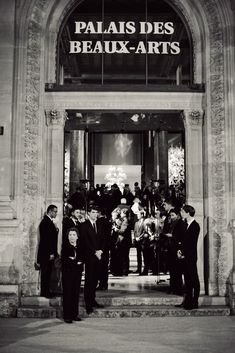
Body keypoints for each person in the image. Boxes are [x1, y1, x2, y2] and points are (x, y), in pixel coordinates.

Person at [80, 205, 104, 314]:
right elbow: (85, 241)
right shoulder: (84, 225)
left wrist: (101, 251)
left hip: (99, 256)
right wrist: (94, 251)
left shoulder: (99, 224)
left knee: (95, 280)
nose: (95, 214)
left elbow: (103, 239)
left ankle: (93, 300)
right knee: (89, 281)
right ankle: (88, 304)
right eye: (93, 212)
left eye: (96, 212)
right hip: (89, 256)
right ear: (88, 213)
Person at [177, 205, 200, 310]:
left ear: (188, 213)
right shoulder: (184, 224)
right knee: (187, 279)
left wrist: (183, 252)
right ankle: (187, 301)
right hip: (184, 255)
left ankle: (195, 301)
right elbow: (182, 240)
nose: (181, 213)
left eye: (182, 212)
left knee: (193, 278)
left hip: (190, 256)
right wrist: (179, 250)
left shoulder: (195, 226)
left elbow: (191, 243)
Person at [36, 204, 59, 298]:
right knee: (45, 273)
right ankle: (45, 292)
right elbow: (46, 240)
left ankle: (47, 291)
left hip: (48, 253)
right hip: (47, 253)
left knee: (48, 273)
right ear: (50, 211)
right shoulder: (46, 222)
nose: (56, 213)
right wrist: (51, 253)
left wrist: (56, 229)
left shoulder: (49, 221)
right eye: (55, 211)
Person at [61, 228, 83, 323]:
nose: (72, 236)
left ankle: (75, 315)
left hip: (77, 274)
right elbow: (65, 261)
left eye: (74, 235)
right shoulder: (65, 246)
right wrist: (75, 262)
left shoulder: (80, 247)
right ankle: (67, 316)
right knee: (68, 294)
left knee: (75, 294)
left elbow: (82, 260)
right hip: (67, 274)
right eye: (70, 235)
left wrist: (75, 261)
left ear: (77, 236)